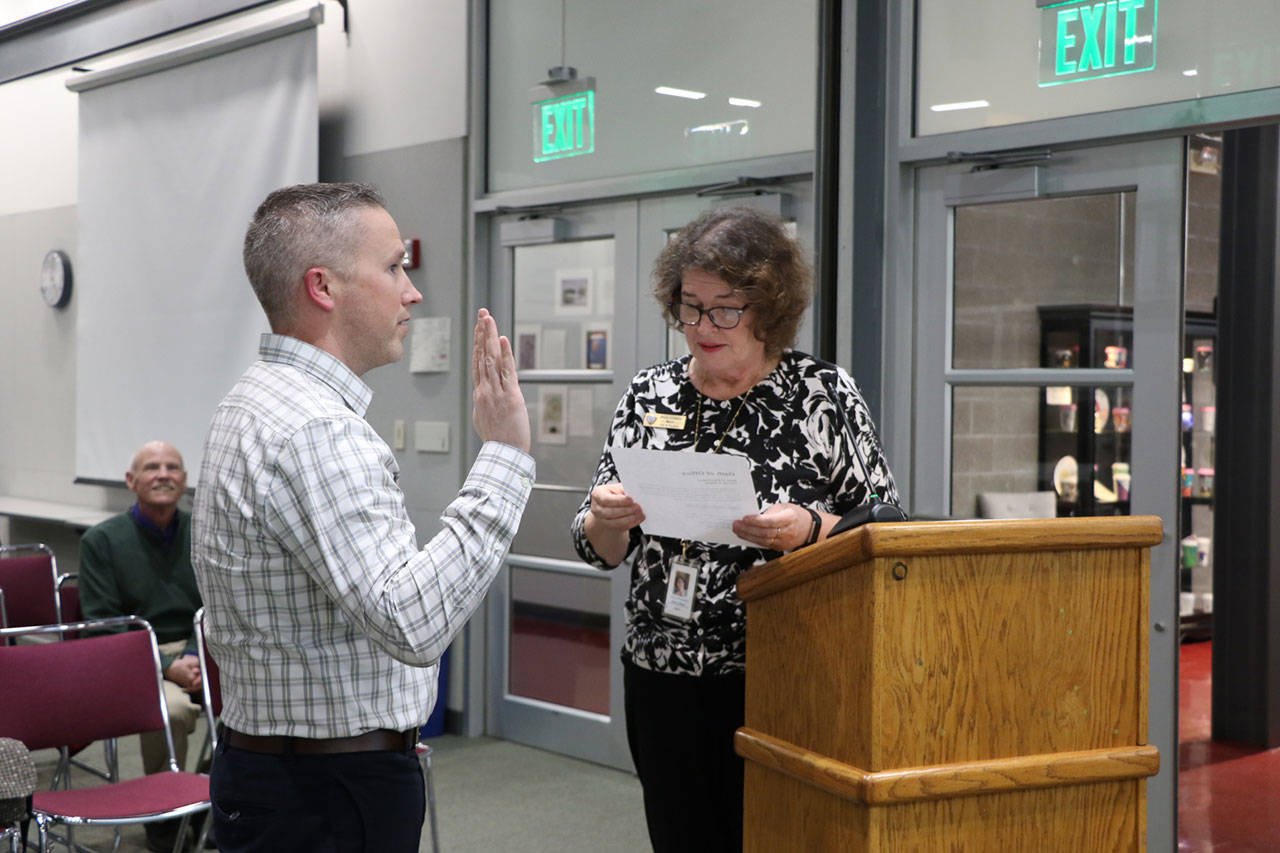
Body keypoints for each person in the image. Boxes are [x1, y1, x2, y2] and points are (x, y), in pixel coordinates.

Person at [191, 182, 533, 853]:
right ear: (323, 286)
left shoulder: (254, 400)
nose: (413, 291)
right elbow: (413, 620)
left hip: (279, 775)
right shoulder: (318, 428)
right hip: (327, 794)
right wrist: (505, 457)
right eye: (393, 266)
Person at [571, 205, 900, 852]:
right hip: (660, 667)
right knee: (678, 831)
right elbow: (598, 547)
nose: (701, 326)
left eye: (725, 308)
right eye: (690, 306)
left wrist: (810, 526)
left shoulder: (820, 393)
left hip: (780, 670)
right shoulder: (649, 393)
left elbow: (886, 525)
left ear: (768, 308)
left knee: (772, 834)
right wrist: (604, 517)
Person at [79, 440, 205, 853]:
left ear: (185, 481)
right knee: (172, 710)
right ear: (131, 481)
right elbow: (102, 627)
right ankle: (163, 821)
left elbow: (216, 604)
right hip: (132, 658)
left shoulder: (203, 533)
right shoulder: (102, 541)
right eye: (152, 467)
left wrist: (191, 653)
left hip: (202, 651)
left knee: (264, 697)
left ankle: (211, 800)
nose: (163, 474)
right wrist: (168, 664)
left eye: (173, 467)